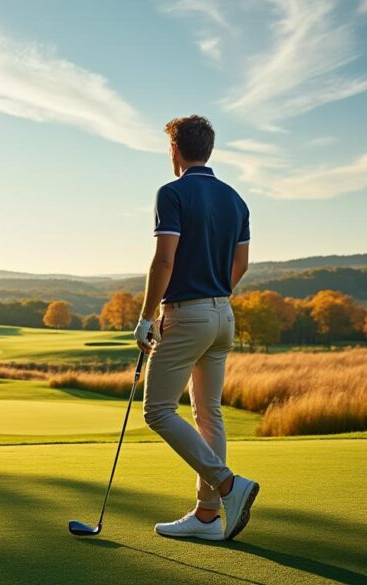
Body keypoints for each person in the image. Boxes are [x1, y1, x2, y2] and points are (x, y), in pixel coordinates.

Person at [133, 115, 259, 541]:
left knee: (158, 410)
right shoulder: (236, 199)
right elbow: (240, 265)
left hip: (186, 315)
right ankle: (208, 516)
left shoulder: (172, 193)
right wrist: (217, 295)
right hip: (223, 314)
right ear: (209, 149)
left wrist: (146, 316)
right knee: (209, 413)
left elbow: (164, 260)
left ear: (174, 149)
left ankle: (227, 486)